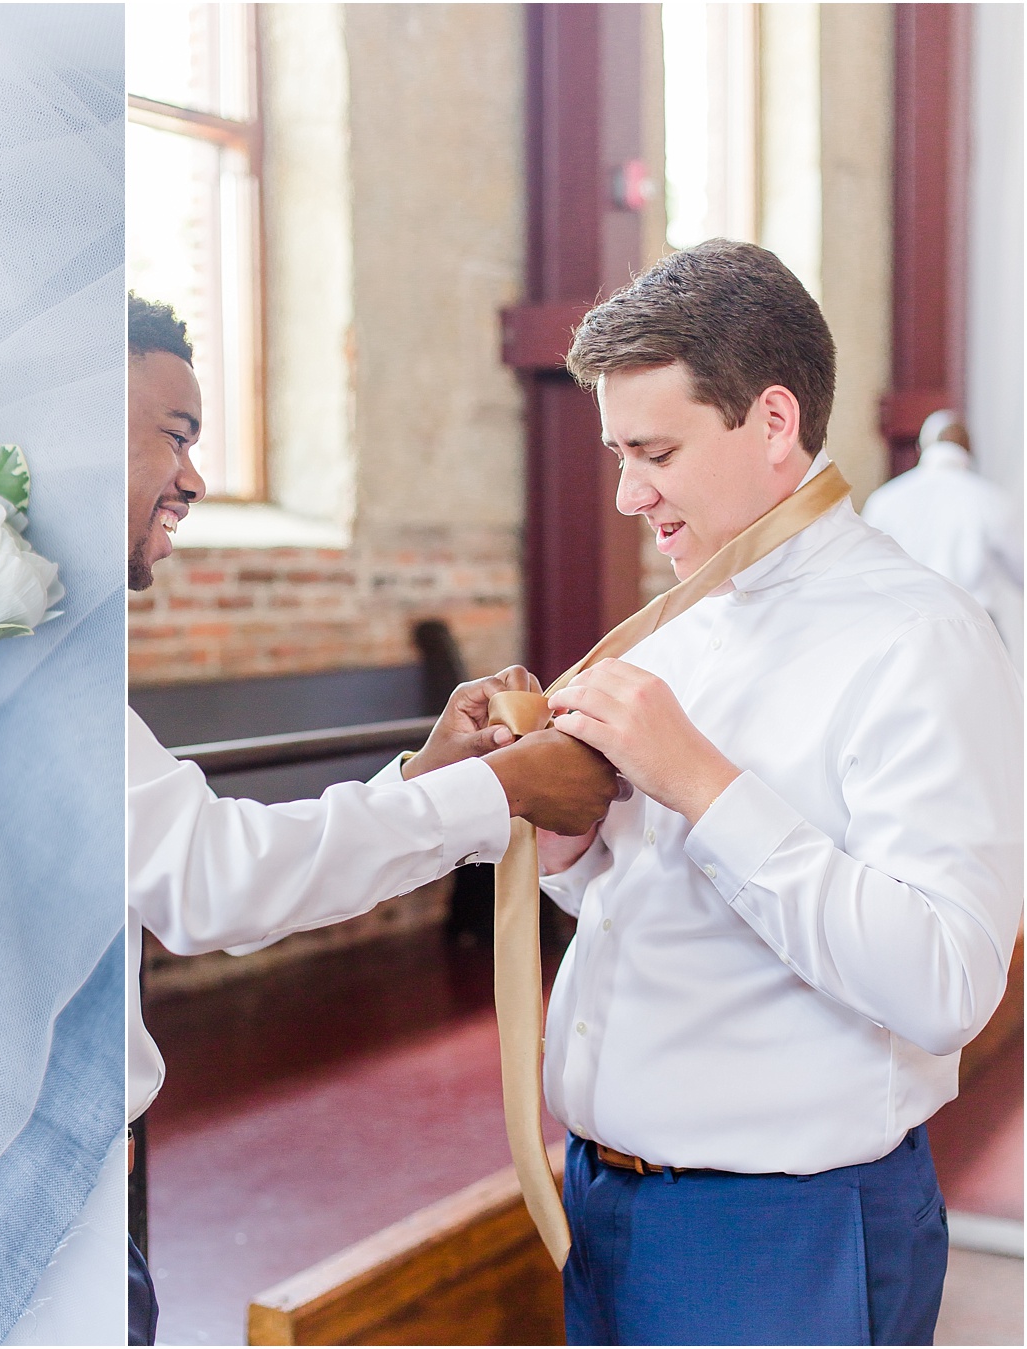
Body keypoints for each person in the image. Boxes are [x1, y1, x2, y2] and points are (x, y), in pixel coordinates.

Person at [540, 241, 1022, 1345]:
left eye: (654, 450)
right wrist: (575, 849)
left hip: (778, 1228)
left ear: (770, 418)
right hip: (612, 1205)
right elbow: (663, 904)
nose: (627, 493)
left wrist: (707, 785)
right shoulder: (689, 621)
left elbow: (948, 981)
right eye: (618, 453)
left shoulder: (921, 636)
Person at [124, 294, 622, 1344]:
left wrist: (422, 781)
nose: (196, 479)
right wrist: (501, 790)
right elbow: (217, 878)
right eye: (174, 434)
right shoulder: (21, 666)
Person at [861, 409, 1024, 666]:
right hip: (976, 636)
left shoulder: (885, 501)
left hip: (905, 635)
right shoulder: (991, 500)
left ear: (920, 448)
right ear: (969, 450)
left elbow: (866, 576)